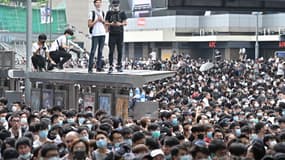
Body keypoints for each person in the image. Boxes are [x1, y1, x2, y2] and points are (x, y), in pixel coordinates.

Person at [105, 0, 127, 73]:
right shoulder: (109, 13)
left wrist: (119, 24)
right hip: (112, 34)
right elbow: (106, 22)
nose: (115, 6)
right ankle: (111, 65)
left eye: (116, 5)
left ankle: (119, 65)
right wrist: (111, 24)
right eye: (114, 4)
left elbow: (125, 22)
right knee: (111, 51)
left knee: (120, 50)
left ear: (119, 5)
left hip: (120, 34)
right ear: (112, 5)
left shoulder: (122, 13)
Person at [88, 0, 106, 73]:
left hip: (102, 33)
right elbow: (89, 25)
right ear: (94, 4)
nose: (98, 4)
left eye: (99, 2)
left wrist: (102, 20)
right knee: (93, 51)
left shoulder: (102, 12)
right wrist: (96, 20)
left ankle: (99, 67)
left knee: (100, 51)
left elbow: (104, 23)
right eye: (97, 2)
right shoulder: (92, 13)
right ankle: (90, 68)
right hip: (95, 34)